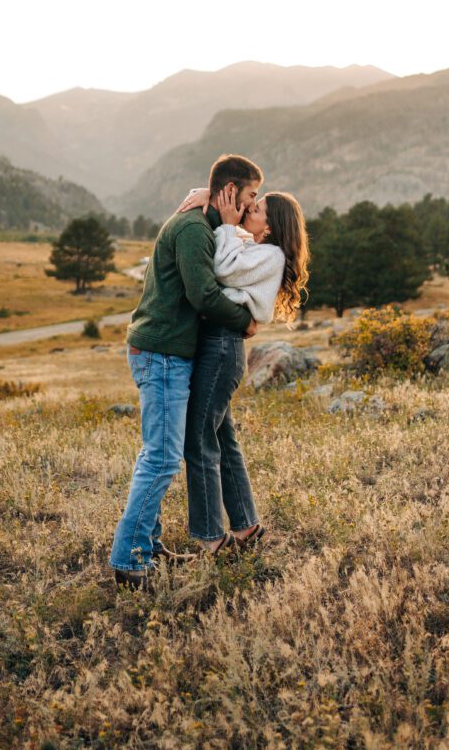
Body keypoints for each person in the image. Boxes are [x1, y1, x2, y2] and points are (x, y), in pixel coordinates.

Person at [109, 154, 264, 589]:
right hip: (160, 355)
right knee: (161, 457)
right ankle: (128, 560)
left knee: (162, 452)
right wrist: (246, 322)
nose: (254, 205)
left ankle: (149, 544)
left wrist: (209, 198)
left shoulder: (205, 222)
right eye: (250, 195)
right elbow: (204, 295)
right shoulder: (194, 229)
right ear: (230, 191)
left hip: (167, 353)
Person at [177, 184, 310, 553]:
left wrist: (226, 224)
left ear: (270, 226)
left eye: (257, 209)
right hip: (219, 345)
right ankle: (246, 525)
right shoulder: (256, 248)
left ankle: (208, 537)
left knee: (198, 437)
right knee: (221, 437)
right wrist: (209, 197)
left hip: (222, 347)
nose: (248, 208)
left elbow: (220, 269)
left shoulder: (270, 255)